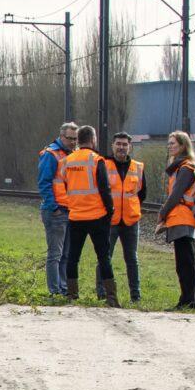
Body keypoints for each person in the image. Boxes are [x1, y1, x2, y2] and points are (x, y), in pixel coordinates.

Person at [56, 125, 117, 303]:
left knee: (73, 257)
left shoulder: (67, 161)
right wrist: (110, 210)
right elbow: (105, 188)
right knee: (104, 257)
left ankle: (72, 295)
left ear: (79, 140)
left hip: (75, 217)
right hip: (97, 216)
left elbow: (67, 185)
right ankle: (111, 297)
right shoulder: (96, 160)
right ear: (93, 139)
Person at [159, 129, 195, 309]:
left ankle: (187, 301)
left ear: (183, 146)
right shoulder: (186, 167)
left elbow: (176, 195)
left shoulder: (185, 169)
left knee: (184, 263)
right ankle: (191, 300)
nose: (169, 146)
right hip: (184, 217)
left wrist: (162, 213)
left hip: (182, 217)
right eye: (169, 143)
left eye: (173, 143)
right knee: (188, 260)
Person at [37, 122, 79, 298]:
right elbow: (44, 183)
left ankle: (62, 288)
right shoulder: (51, 154)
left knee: (66, 254)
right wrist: (54, 207)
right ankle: (55, 290)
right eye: (69, 138)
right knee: (56, 253)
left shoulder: (73, 155)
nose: (72, 142)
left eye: (75, 139)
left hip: (69, 210)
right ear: (61, 136)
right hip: (57, 211)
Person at [105, 131, 146, 304]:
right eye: (118, 144)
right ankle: (103, 293)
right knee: (105, 257)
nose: (121, 147)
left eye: (124, 144)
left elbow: (142, 193)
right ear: (113, 146)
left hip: (130, 220)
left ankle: (135, 296)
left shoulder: (138, 167)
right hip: (111, 220)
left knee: (132, 259)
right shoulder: (104, 165)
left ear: (130, 147)